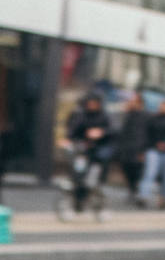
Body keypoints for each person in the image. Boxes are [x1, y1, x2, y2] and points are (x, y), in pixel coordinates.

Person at [62, 89, 113, 221]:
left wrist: (101, 133)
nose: (92, 105)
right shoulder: (81, 115)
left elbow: (112, 132)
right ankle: (77, 204)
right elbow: (72, 130)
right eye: (90, 103)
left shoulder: (104, 117)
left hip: (98, 155)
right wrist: (69, 139)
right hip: (83, 153)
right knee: (78, 178)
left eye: (94, 103)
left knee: (93, 181)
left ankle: (100, 206)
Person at [110, 89, 151, 210]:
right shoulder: (127, 115)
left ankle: (137, 192)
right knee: (127, 168)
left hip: (139, 148)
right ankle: (132, 191)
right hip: (126, 148)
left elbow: (148, 134)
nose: (130, 103)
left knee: (137, 170)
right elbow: (120, 130)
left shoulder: (146, 116)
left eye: (133, 101)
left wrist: (144, 149)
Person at [138, 98, 165, 209]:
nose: (163, 108)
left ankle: (164, 199)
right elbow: (147, 135)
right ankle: (143, 196)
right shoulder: (153, 120)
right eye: (162, 105)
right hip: (153, 149)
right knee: (150, 172)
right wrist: (147, 148)